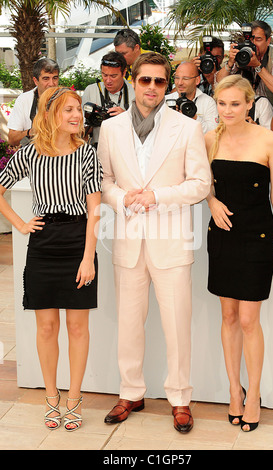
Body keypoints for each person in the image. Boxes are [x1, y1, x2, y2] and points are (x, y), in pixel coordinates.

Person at [98, 52, 211, 433]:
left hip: (172, 242)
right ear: (132, 80)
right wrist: (121, 199)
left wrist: (158, 197)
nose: (151, 88)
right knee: (129, 324)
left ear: (168, 85)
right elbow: (104, 180)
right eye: (145, 80)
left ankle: (180, 398)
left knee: (177, 326)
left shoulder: (186, 127)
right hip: (128, 240)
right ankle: (131, 391)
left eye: (159, 82)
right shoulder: (111, 130)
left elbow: (200, 184)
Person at [0, 87, 102, 431]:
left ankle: (74, 397)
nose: (77, 116)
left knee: (77, 326)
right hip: (43, 245)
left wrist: (89, 258)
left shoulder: (87, 153)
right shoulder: (31, 153)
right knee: (46, 327)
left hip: (77, 242)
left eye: (78, 110)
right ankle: (51, 396)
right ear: (49, 115)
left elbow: (95, 211)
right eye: (69, 110)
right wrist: (20, 223)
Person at [205, 74, 273, 432]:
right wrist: (210, 201)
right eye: (222, 104)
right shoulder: (209, 138)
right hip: (222, 236)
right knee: (227, 317)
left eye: (235, 104)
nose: (227, 110)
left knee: (248, 320)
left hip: (258, 237)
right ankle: (233, 391)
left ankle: (253, 393)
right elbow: (201, 183)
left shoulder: (268, 139)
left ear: (249, 104)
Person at [217, 21, 273, 108]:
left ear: (268, 41)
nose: (253, 43)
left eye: (258, 39)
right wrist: (230, 63)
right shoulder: (242, 53)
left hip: (269, 111)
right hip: (242, 109)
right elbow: (219, 82)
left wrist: (257, 66)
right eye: (251, 39)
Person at [82, 51, 135, 148]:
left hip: (127, 148)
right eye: (104, 75)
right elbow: (79, 130)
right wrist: (92, 121)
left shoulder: (135, 92)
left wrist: (126, 117)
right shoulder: (91, 90)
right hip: (98, 148)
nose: (108, 80)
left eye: (113, 76)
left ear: (124, 73)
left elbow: (144, 128)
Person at [7, 58, 60, 146]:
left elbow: (80, 132)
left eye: (55, 78)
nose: (51, 83)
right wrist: (34, 131)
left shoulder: (67, 98)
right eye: (46, 78)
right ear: (36, 81)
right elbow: (12, 139)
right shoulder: (24, 99)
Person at [166, 61, 218, 133]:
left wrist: (194, 117)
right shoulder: (166, 100)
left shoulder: (208, 102)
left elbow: (213, 134)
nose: (180, 83)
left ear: (197, 80)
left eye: (185, 78)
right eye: (177, 78)